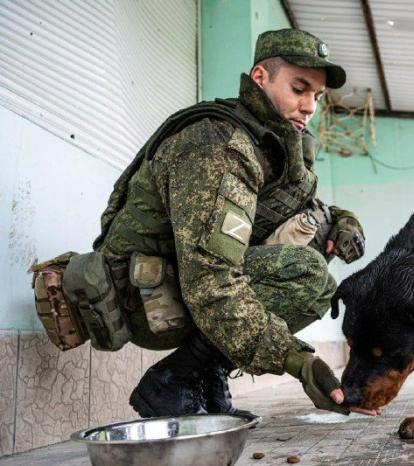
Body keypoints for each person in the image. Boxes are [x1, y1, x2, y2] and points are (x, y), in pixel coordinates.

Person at [91, 28, 369, 417]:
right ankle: (171, 380)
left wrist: (344, 222)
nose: (309, 107)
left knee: (315, 257)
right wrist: (299, 361)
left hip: (179, 282)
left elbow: (304, 204)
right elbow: (210, 278)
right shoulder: (218, 146)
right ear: (261, 79)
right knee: (305, 275)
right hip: (144, 295)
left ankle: (205, 372)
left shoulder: (269, 142)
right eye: (299, 88)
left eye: (316, 97)